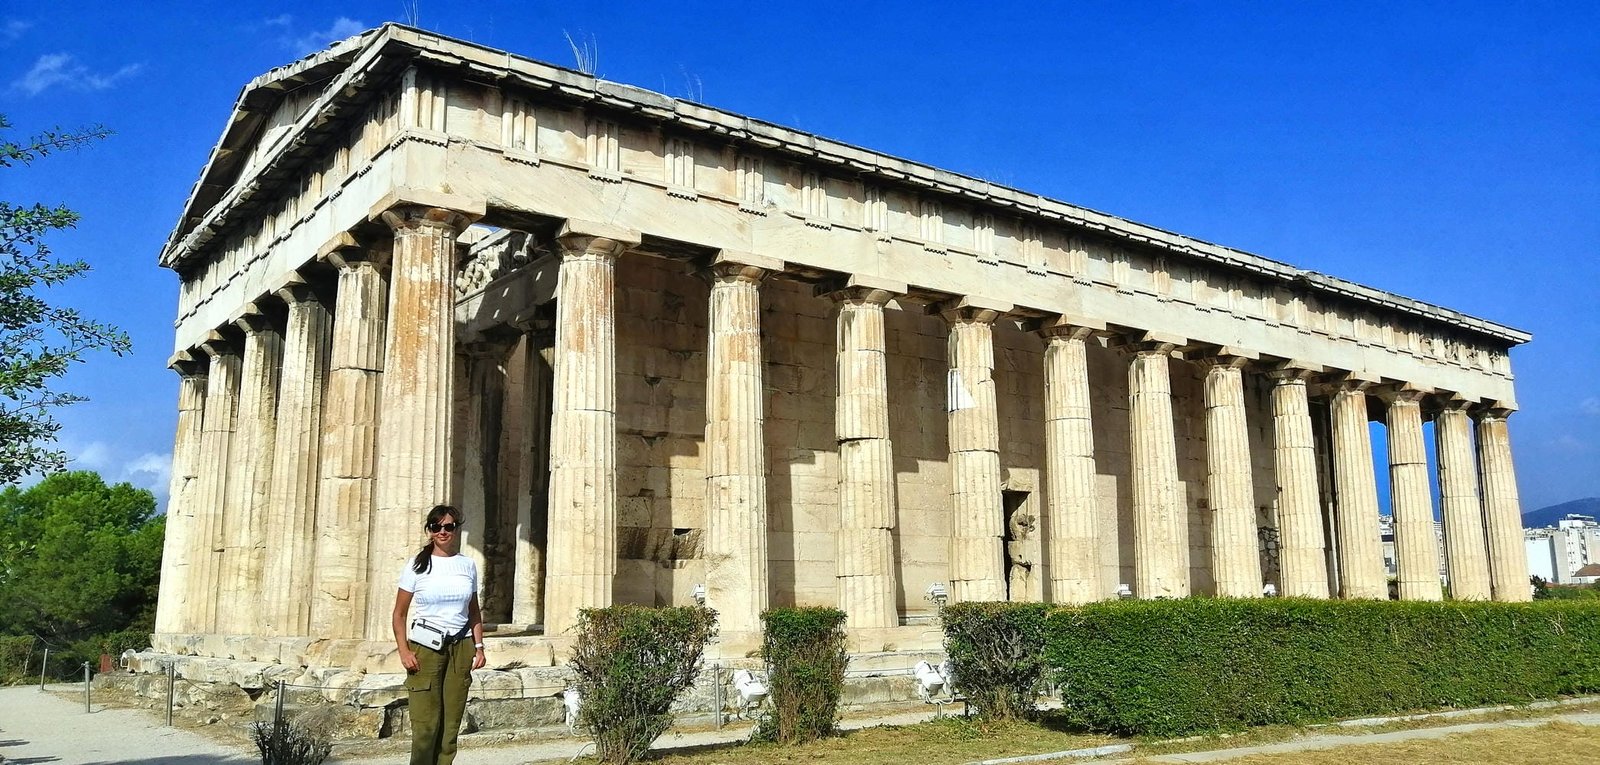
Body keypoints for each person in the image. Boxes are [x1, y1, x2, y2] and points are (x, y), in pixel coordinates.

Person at [393, 505, 486, 765]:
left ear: (456, 529)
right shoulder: (416, 565)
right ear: (430, 530)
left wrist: (479, 647)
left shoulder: (467, 565)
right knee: (425, 725)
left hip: (461, 646)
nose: (443, 531)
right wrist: (404, 651)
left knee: (450, 725)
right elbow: (399, 614)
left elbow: (474, 611)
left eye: (448, 526)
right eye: (437, 527)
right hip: (425, 647)